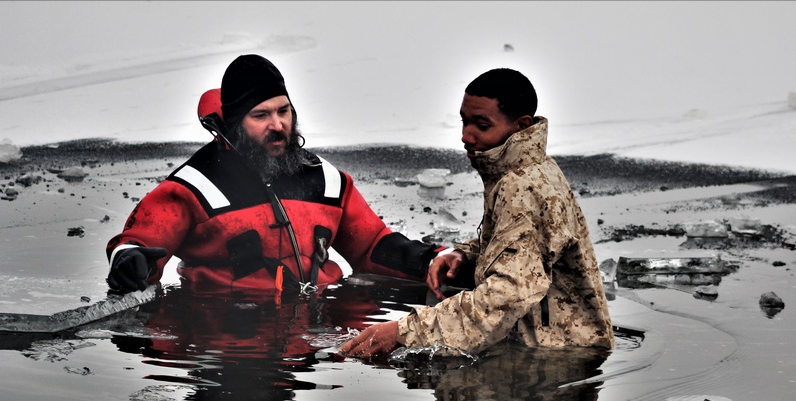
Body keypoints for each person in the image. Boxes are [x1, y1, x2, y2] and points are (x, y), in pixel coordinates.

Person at [105, 54, 443, 296]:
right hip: (225, 338)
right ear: (236, 125)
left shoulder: (328, 182)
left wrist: (432, 260)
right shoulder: (193, 187)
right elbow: (141, 241)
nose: (278, 125)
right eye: (261, 115)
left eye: (284, 111)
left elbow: (371, 247)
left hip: (315, 341)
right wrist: (128, 258)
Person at [341, 68, 614, 357]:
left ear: (520, 126)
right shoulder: (521, 169)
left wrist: (404, 332)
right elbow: (518, 249)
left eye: (481, 125)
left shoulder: (525, 187)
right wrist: (465, 255)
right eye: (464, 121)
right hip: (548, 347)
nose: (465, 136)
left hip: (561, 360)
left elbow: (506, 295)